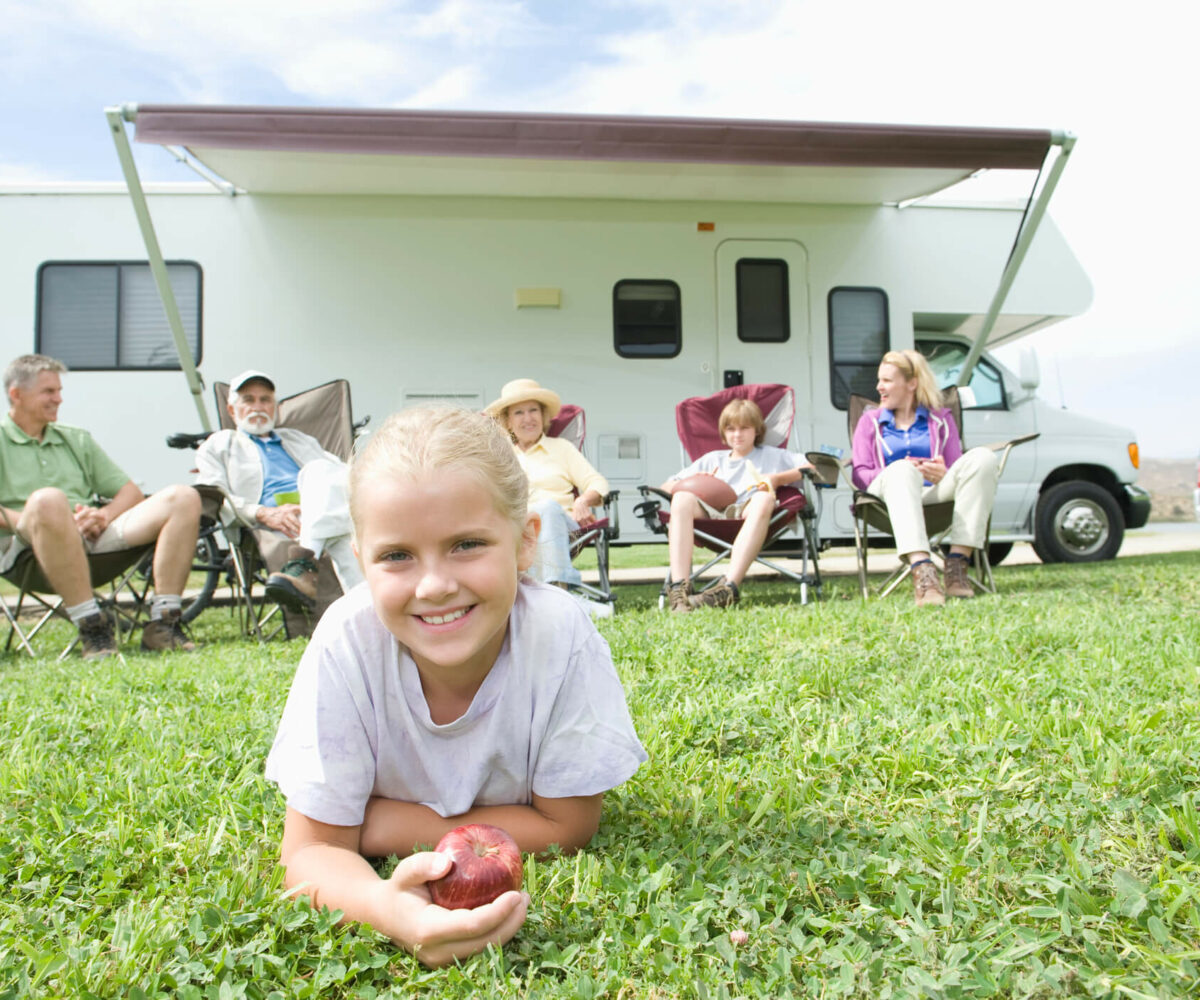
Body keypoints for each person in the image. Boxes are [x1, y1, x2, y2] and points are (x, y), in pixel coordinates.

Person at [265, 406, 646, 968]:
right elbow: (311, 850)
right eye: (396, 556)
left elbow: (568, 826)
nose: (435, 586)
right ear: (361, 562)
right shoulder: (346, 641)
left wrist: (373, 823)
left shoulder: (559, 634)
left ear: (524, 543)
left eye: (466, 544)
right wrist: (384, 906)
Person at [0, 354, 202, 657]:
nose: (59, 399)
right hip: (26, 550)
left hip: (91, 540)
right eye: (49, 392)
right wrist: (55, 522)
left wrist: (103, 516)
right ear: (16, 394)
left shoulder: (75, 439)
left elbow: (129, 492)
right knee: (48, 500)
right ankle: (92, 628)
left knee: (183, 496)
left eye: (59, 391)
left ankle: (164, 624)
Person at [193, 370, 363, 620]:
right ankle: (365, 612)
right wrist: (262, 512)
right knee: (340, 530)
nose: (258, 407)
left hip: (315, 512)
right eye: (248, 400)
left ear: (275, 407)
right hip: (270, 524)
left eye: (265, 400)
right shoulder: (219, 445)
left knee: (324, 470)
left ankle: (303, 565)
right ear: (232, 411)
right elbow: (215, 493)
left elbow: (340, 475)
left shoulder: (300, 440)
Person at [850, 348, 1000, 607]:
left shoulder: (941, 419)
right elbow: (860, 474)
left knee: (983, 458)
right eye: (879, 380)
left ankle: (957, 565)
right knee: (901, 470)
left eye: (886, 380)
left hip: (934, 496)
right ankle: (923, 572)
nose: (879, 387)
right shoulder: (869, 422)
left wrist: (945, 474)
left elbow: (956, 465)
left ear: (912, 383)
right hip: (885, 500)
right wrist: (901, 468)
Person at [660, 398, 814, 611]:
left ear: (757, 430)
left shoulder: (772, 456)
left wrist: (778, 479)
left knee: (764, 498)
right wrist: (694, 483)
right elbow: (666, 486)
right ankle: (679, 590)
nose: (737, 434)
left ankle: (728, 588)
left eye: (744, 428)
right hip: (712, 514)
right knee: (681, 498)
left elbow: (813, 468)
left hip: (748, 512)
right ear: (723, 432)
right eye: (731, 429)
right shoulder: (713, 459)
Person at [484, 378, 612, 618]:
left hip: (561, 523)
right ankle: (547, 601)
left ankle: (560, 594)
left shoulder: (561, 447)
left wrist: (583, 501)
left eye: (533, 410)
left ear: (543, 416)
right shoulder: (499, 454)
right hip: (513, 527)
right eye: (519, 412)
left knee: (546, 508)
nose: (527, 418)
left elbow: (598, 483)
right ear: (508, 421)